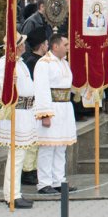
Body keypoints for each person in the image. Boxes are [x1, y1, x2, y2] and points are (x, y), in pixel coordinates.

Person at [0, 33, 38, 209]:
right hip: (16, 112)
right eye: (22, 44)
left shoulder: (20, 63)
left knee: (20, 156)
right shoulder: (5, 63)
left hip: (26, 112)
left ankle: (13, 192)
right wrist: (9, 87)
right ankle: (12, 195)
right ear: (16, 46)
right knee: (16, 157)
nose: (25, 46)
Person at [32, 35, 77, 194]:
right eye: (65, 44)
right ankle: (44, 183)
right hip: (51, 108)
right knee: (48, 147)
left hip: (64, 108)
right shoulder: (43, 64)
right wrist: (45, 114)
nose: (68, 47)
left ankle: (59, 180)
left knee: (60, 147)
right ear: (55, 46)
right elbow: (41, 89)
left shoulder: (64, 63)